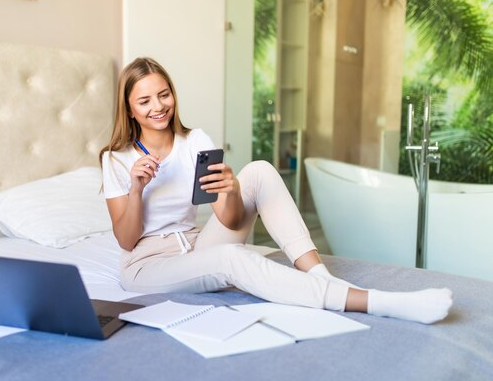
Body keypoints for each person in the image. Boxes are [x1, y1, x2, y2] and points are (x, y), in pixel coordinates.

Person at [99, 57, 453, 324]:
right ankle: (378, 301)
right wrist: (135, 190)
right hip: (147, 265)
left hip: (195, 245)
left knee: (259, 171)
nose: (158, 107)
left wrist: (231, 190)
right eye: (144, 101)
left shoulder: (195, 142)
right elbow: (127, 241)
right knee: (232, 260)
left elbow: (232, 219)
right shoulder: (116, 159)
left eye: (164, 95)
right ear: (129, 108)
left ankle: (319, 276)